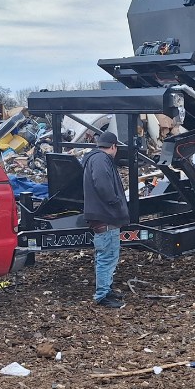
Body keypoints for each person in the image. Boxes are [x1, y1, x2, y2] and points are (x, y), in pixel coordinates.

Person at [82, 130, 128, 308]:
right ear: (114, 146)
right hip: (106, 216)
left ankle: (107, 290)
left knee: (109, 255)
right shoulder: (101, 160)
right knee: (107, 257)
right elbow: (103, 184)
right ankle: (102, 296)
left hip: (102, 216)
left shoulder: (94, 158)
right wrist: (115, 202)